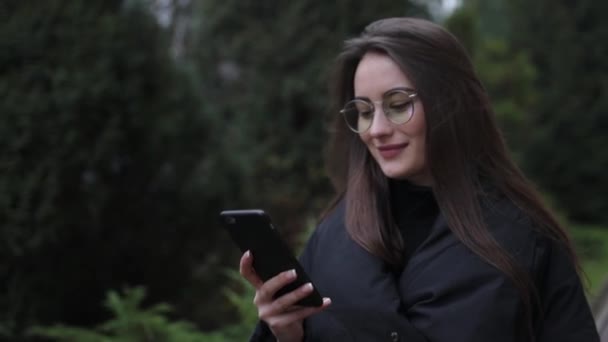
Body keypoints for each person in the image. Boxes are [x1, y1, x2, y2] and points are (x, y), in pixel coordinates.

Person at [239, 17, 600, 341]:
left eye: (398, 105)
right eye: (363, 112)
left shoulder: (524, 237)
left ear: (450, 102)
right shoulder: (333, 236)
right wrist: (286, 334)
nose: (376, 130)